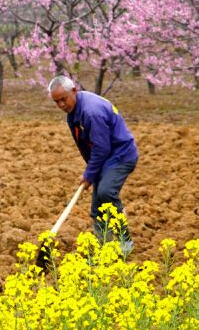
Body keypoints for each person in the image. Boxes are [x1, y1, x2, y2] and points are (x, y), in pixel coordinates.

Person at [47, 74, 139, 257]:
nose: (61, 105)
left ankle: (125, 242)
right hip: (104, 159)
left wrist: (89, 175)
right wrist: (92, 172)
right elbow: (86, 146)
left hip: (120, 155)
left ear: (74, 91)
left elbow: (102, 148)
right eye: (57, 102)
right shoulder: (72, 114)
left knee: (106, 193)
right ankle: (105, 249)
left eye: (63, 99)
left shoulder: (91, 112)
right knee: (98, 207)